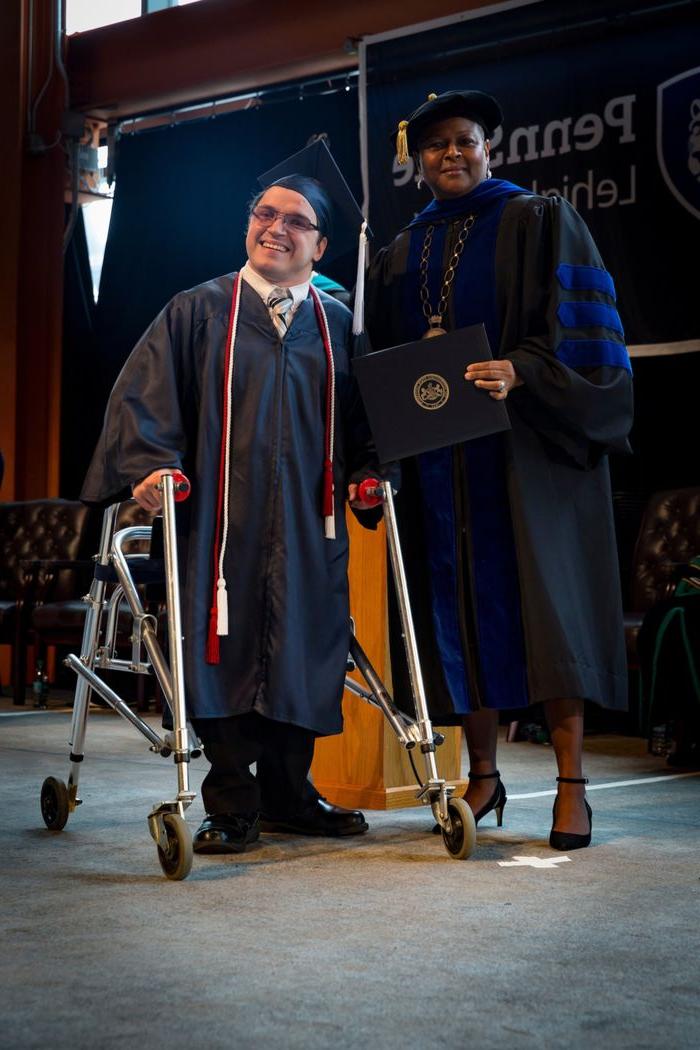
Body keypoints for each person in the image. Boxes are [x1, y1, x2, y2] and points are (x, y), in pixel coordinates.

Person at [82, 161, 382, 855]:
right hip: (215, 522)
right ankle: (231, 800)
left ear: (320, 246)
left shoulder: (341, 326)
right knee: (219, 648)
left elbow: (369, 428)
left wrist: (369, 476)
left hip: (310, 527)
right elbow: (146, 403)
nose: (274, 229)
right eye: (264, 215)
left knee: (304, 649)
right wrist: (152, 470)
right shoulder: (197, 310)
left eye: (294, 221)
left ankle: (290, 794)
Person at [364, 90, 634, 850]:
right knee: (458, 619)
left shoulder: (537, 221)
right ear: (417, 162)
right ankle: (482, 777)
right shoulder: (398, 253)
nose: (452, 154)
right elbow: (384, 365)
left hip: (529, 459)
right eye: (436, 144)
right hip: (442, 466)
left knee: (549, 616)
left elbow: (587, 342)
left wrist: (519, 371)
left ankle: (572, 785)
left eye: (466, 141)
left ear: (490, 150)